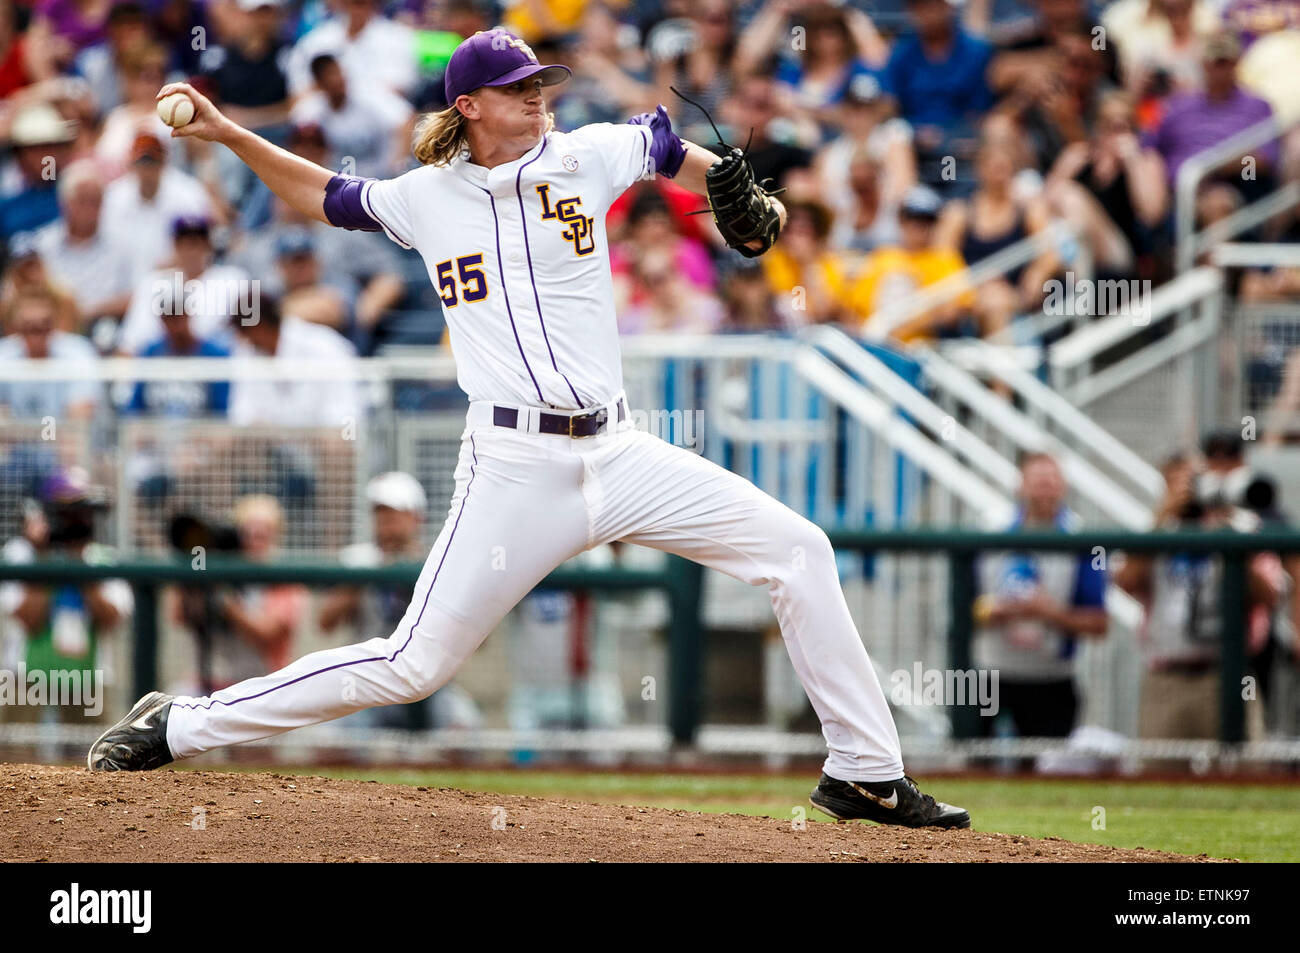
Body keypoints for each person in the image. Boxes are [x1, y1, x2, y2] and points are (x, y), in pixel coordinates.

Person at [89, 28, 969, 831]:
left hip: (620, 451)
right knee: (412, 663)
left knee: (799, 550)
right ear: (469, 106)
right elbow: (324, 195)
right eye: (517, 87)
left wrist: (730, 189)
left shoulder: (585, 154)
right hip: (514, 464)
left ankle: (865, 771)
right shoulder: (427, 197)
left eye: (539, 81)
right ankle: (182, 722)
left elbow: (666, 147)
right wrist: (228, 133)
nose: (537, 94)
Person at [319, 471, 481, 731]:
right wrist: (365, 575)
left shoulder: (435, 562)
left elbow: (476, 636)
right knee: (330, 736)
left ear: (416, 517)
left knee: (464, 724)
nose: (386, 523)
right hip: (369, 680)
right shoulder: (361, 560)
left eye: (394, 515)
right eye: (380, 514)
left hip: (427, 682)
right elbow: (325, 623)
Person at [973, 453, 1108, 742]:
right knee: (975, 759)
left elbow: (1099, 622)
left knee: (1046, 763)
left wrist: (1049, 612)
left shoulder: (1083, 541)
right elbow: (964, 605)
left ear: (1063, 486)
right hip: (990, 673)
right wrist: (996, 611)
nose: (1044, 490)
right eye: (1038, 481)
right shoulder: (990, 531)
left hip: (1052, 678)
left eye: (1051, 481)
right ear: (1021, 484)